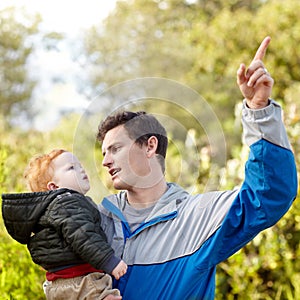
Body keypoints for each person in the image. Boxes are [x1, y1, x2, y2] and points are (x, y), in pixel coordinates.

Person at [95, 36, 298, 299]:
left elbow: (270, 195)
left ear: (149, 146)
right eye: (103, 153)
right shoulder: (98, 220)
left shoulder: (198, 218)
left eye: (115, 149)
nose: (105, 161)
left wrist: (259, 111)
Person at [1, 149, 127, 300]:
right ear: (54, 187)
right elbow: (83, 235)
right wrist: (109, 260)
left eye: (79, 165)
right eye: (71, 167)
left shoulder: (51, 210)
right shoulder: (67, 202)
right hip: (81, 281)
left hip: (58, 284)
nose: (81, 169)